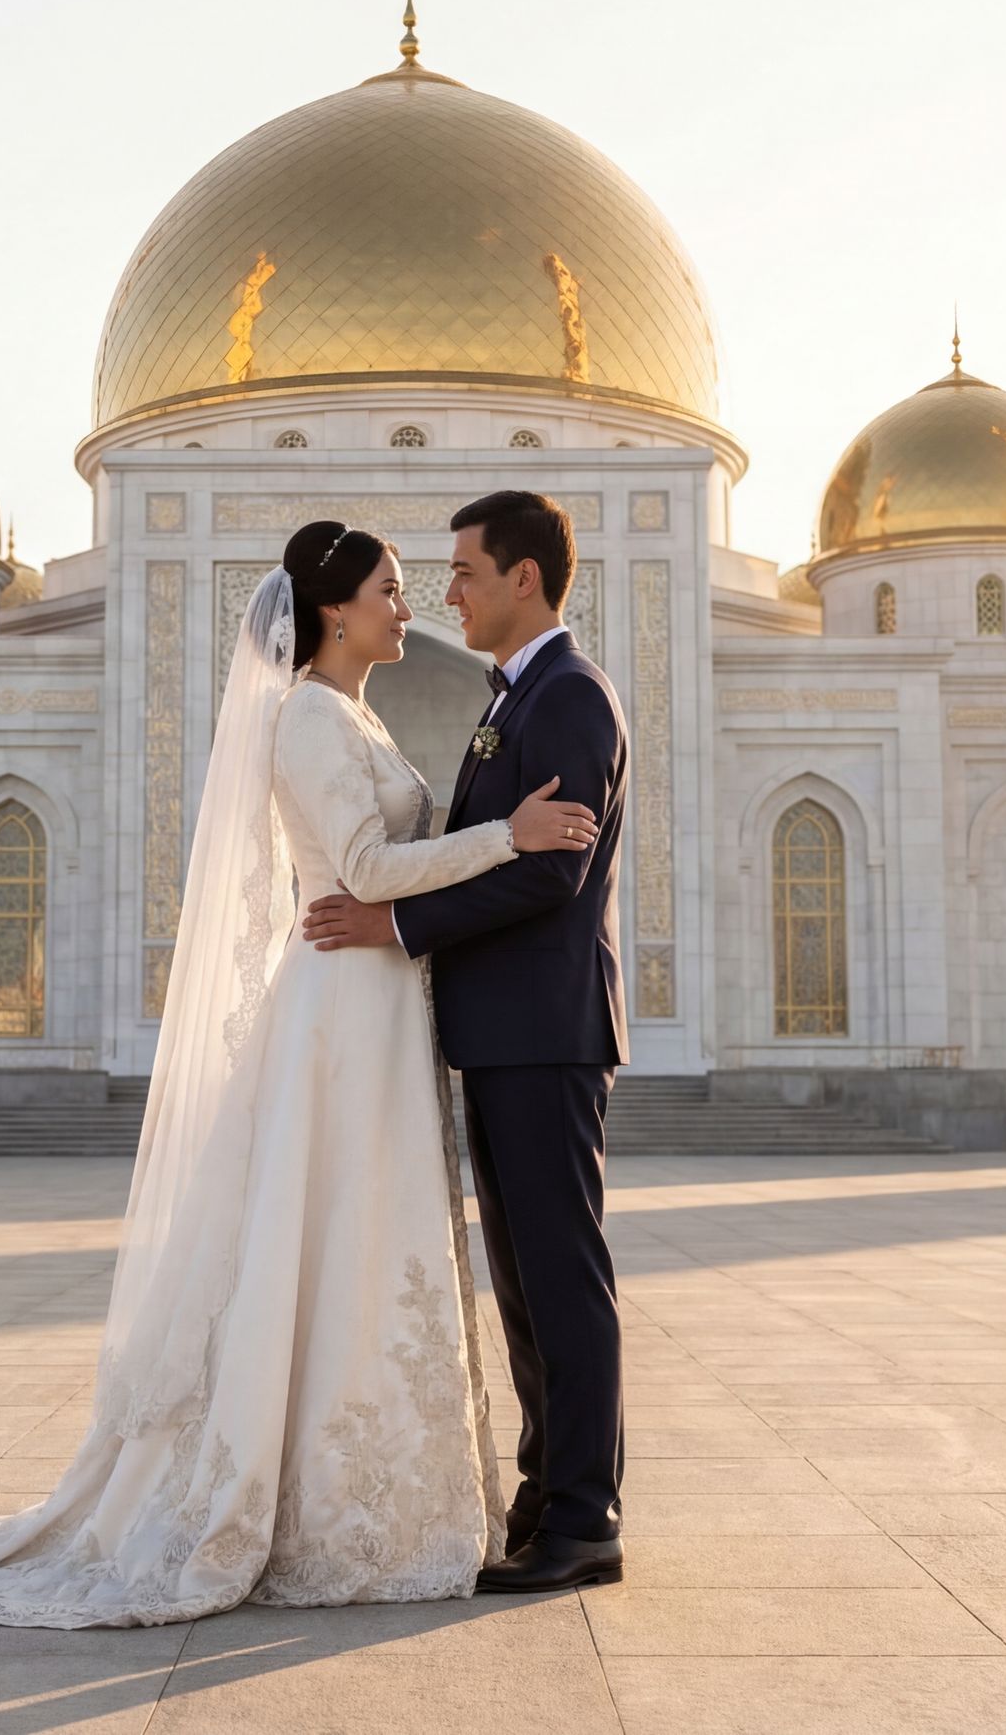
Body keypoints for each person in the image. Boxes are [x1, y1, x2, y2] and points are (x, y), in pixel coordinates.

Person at [0, 522, 599, 1627]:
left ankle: (373, 1489)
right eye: (391, 589)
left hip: (378, 1004)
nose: (411, 606)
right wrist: (508, 834)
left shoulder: (355, 713)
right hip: (342, 1007)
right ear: (333, 610)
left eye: (421, 585)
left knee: (359, 1240)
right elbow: (364, 869)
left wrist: (490, 847)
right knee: (332, 1229)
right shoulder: (309, 716)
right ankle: (312, 1496)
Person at [301, 490, 630, 1595]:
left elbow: (550, 871)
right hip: (503, 1035)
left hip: (544, 1035)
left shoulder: (569, 697)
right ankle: (546, 1498)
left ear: (523, 578)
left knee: (562, 1279)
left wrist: (395, 926)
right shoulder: (517, 698)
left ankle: (584, 1519)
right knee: (526, 1285)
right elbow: (500, 850)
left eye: (465, 573)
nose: (448, 594)